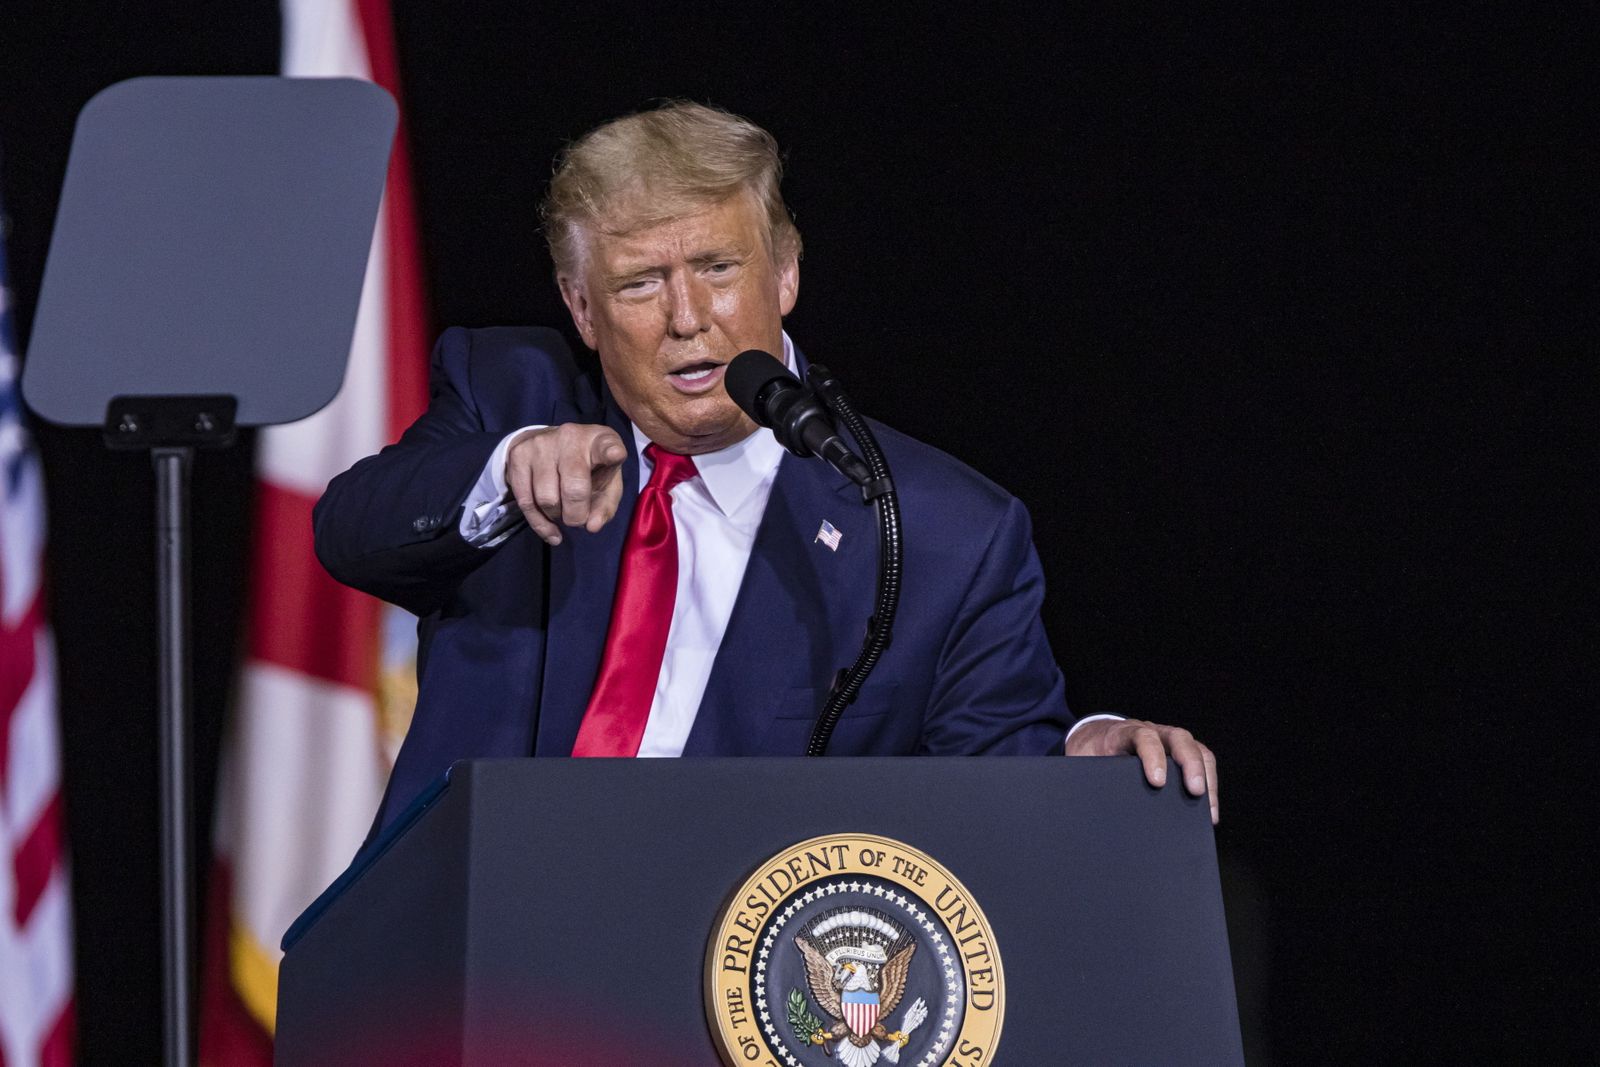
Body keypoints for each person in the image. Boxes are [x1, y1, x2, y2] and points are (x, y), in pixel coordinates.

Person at [313, 101, 1218, 839]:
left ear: (784, 273)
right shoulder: (508, 393)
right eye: (639, 283)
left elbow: (997, 769)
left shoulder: (937, 529)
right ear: (580, 306)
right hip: (471, 963)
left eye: (717, 266)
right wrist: (506, 471)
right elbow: (353, 530)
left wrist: (1087, 763)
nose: (687, 317)